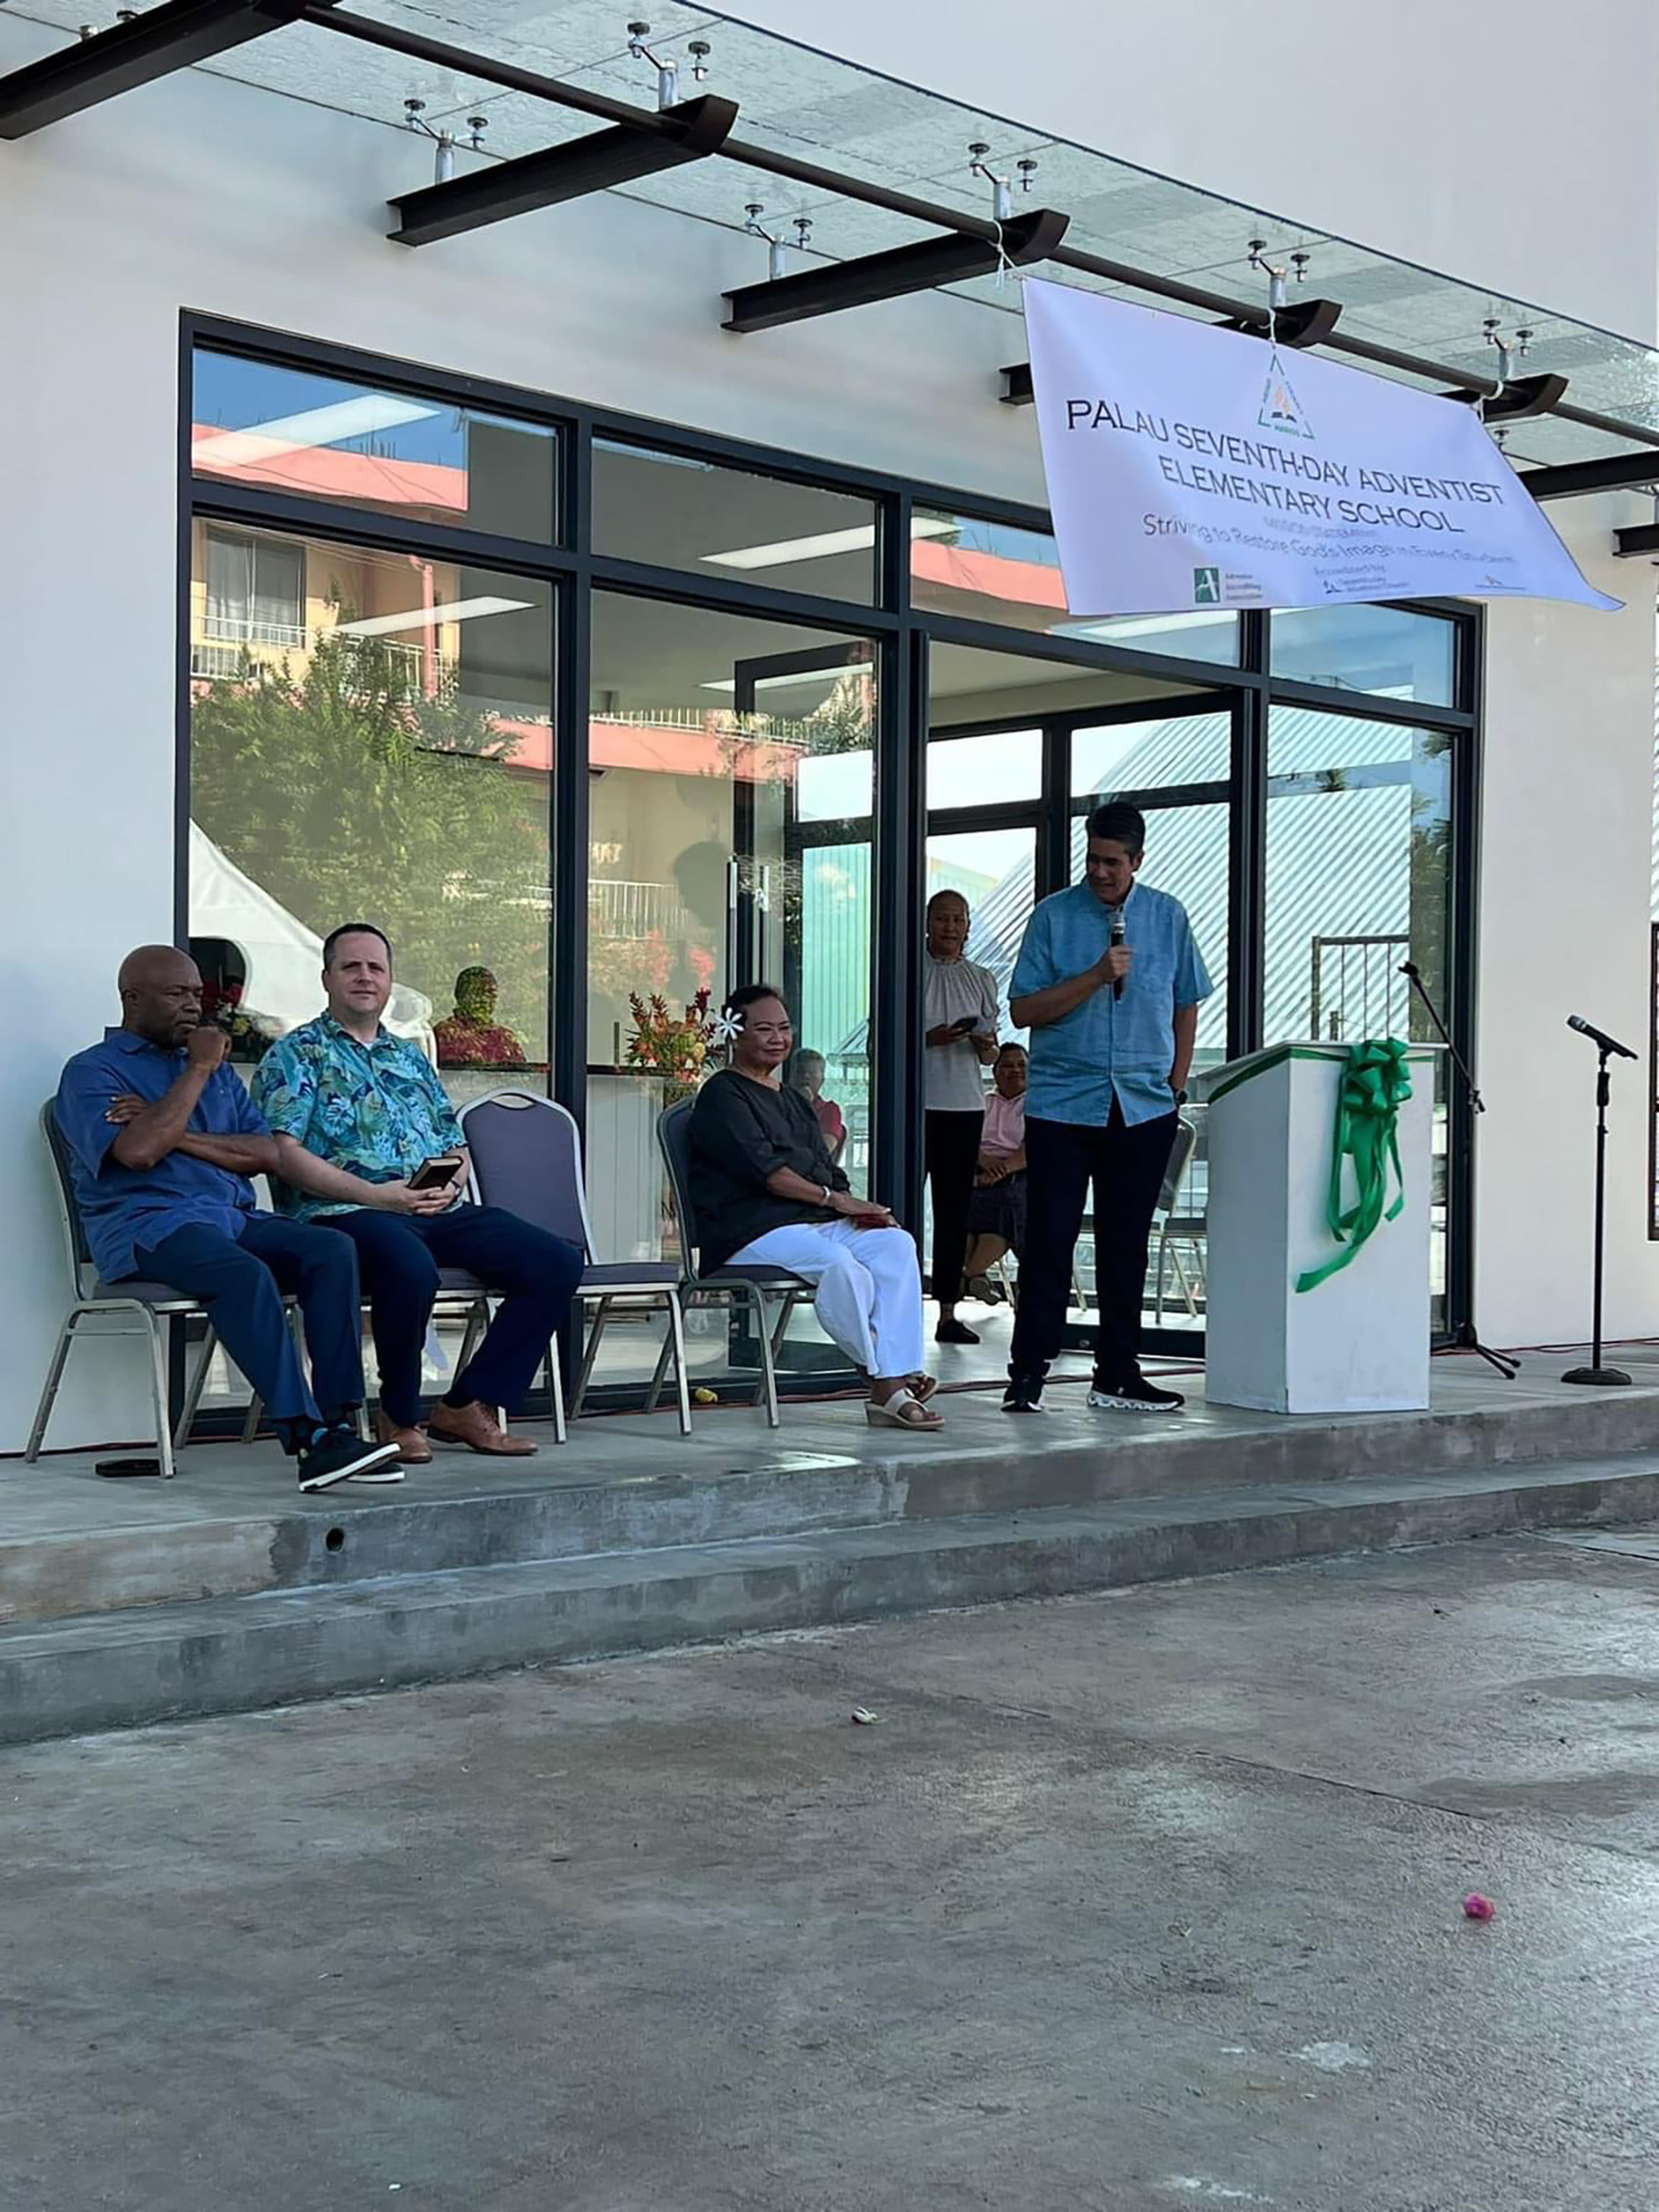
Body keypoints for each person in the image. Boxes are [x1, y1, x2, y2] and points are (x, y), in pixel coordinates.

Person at [54, 947, 403, 1492]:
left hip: (231, 1216)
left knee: (331, 1250)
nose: (193, 1007)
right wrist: (197, 1070)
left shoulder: (216, 1074)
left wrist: (176, 1131)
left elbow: (265, 1154)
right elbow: (140, 1152)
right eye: (176, 995)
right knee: (241, 1273)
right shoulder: (92, 1071)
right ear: (131, 998)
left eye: (197, 994)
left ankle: (340, 1423)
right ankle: (306, 1437)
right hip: (150, 1228)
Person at [251, 924, 582, 1463]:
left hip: (430, 1208)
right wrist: (380, 1196)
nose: (365, 977)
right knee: (409, 1266)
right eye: (351, 966)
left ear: (389, 982)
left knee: (555, 1262)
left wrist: (445, 1183)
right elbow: (283, 1154)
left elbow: (455, 1143)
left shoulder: (409, 1057)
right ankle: (399, 1417)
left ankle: (466, 1404)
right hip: (341, 1211)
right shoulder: (296, 1054)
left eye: (375, 968)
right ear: (326, 979)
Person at [1004, 802, 1211, 1417]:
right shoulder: (1052, 917)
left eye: (1112, 862)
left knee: (1127, 1244)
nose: (1100, 871)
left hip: (1144, 1107)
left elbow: (1186, 1002)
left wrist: (1174, 1084)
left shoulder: (1168, 916)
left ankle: (1118, 1373)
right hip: (1064, 1107)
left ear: (1137, 861)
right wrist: (1095, 975)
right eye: (1092, 858)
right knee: (1050, 1240)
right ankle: (1028, 1374)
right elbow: (1024, 1011)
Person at [688, 985, 943, 1431]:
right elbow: (767, 1174)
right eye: (763, 1029)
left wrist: (859, 1210)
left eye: (784, 1028)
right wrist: (836, 1200)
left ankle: (895, 1373)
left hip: (810, 1223)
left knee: (895, 1244)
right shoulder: (723, 1094)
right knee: (842, 1265)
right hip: (750, 1231)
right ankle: (884, 1383)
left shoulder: (791, 1099)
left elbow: (825, 1169)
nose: (777, 1039)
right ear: (734, 1033)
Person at [922, 888, 999, 1346]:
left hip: (965, 1106)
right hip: (918, 1104)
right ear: (928, 923)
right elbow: (880, 1046)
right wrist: (927, 1039)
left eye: (958, 919)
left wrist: (982, 1043)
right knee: (901, 1209)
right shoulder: (908, 972)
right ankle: (896, 1305)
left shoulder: (982, 978)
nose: (951, 927)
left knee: (954, 1214)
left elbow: (991, 1055)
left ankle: (949, 1310)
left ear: (968, 925)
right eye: (942, 918)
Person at [963, 1041, 1029, 1300]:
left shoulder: (1034, 1104)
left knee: (1005, 1207)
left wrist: (1000, 1170)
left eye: (1022, 1065)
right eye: (1008, 1066)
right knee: (963, 1207)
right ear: (996, 1071)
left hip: (1018, 1170)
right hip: (980, 1168)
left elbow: (1034, 1147)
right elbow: (966, 1140)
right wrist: (983, 1163)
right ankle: (976, 1276)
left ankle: (967, 1277)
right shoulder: (982, 1102)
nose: (1015, 1071)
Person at [433, 964, 528, 1069]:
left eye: (491, 993)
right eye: (477, 993)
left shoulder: (506, 1037)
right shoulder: (446, 1034)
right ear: (460, 996)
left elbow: (522, 1077)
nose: (484, 999)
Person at [791, 1049, 845, 1159]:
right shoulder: (777, 1105)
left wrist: (805, 1107)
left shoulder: (829, 1110)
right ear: (791, 1076)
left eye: (812, 1072)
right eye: (800, 1071)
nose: (806, 1076)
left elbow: (823, 1150)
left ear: (822, 1080)